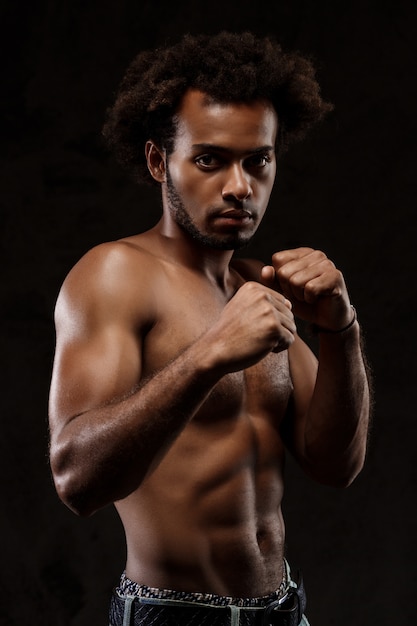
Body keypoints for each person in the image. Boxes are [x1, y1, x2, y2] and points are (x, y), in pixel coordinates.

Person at [48, 31, 371, 626]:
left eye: (258, 161)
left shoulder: (261, 286)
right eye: (209, 159)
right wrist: (209, 354)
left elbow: (336, 465)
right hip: (171, 615)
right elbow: (76, 479)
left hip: (283, 610)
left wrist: (340, 329)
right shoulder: (116, 275)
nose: (239, 186)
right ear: (156, 161)